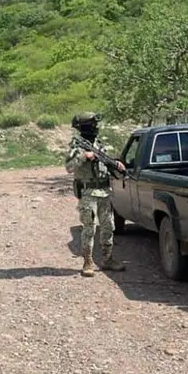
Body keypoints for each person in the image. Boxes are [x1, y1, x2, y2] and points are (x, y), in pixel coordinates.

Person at [65, 112, 126, 277]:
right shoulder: (77, 146)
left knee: (108, 227)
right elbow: (69, 167)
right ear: (84, 127)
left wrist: (116, 164)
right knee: (89, 228)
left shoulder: (98, 144)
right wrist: (84, 156)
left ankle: (107, 259)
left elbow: (105, 163)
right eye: (92, 125)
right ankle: (88, 261)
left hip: (105, 192)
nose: (95, 128)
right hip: (88, 192)